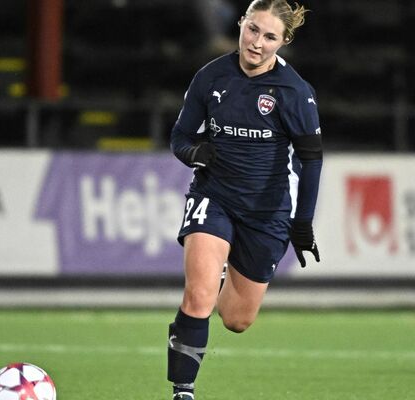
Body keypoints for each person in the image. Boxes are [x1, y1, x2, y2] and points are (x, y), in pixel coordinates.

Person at [166, 1, 321, 399]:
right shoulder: (210, 77)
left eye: (269, 36)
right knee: (198, 296)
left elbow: (311, 159)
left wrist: (302, 224)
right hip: (213, 196)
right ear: (241, 25)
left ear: (283, 42)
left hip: (266, 213)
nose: (256, 42)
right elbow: (180, 138)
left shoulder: (295, 93)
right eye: (252, 30)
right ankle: (183, 389)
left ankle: (213, 287)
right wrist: (196, 155)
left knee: (236, 320)